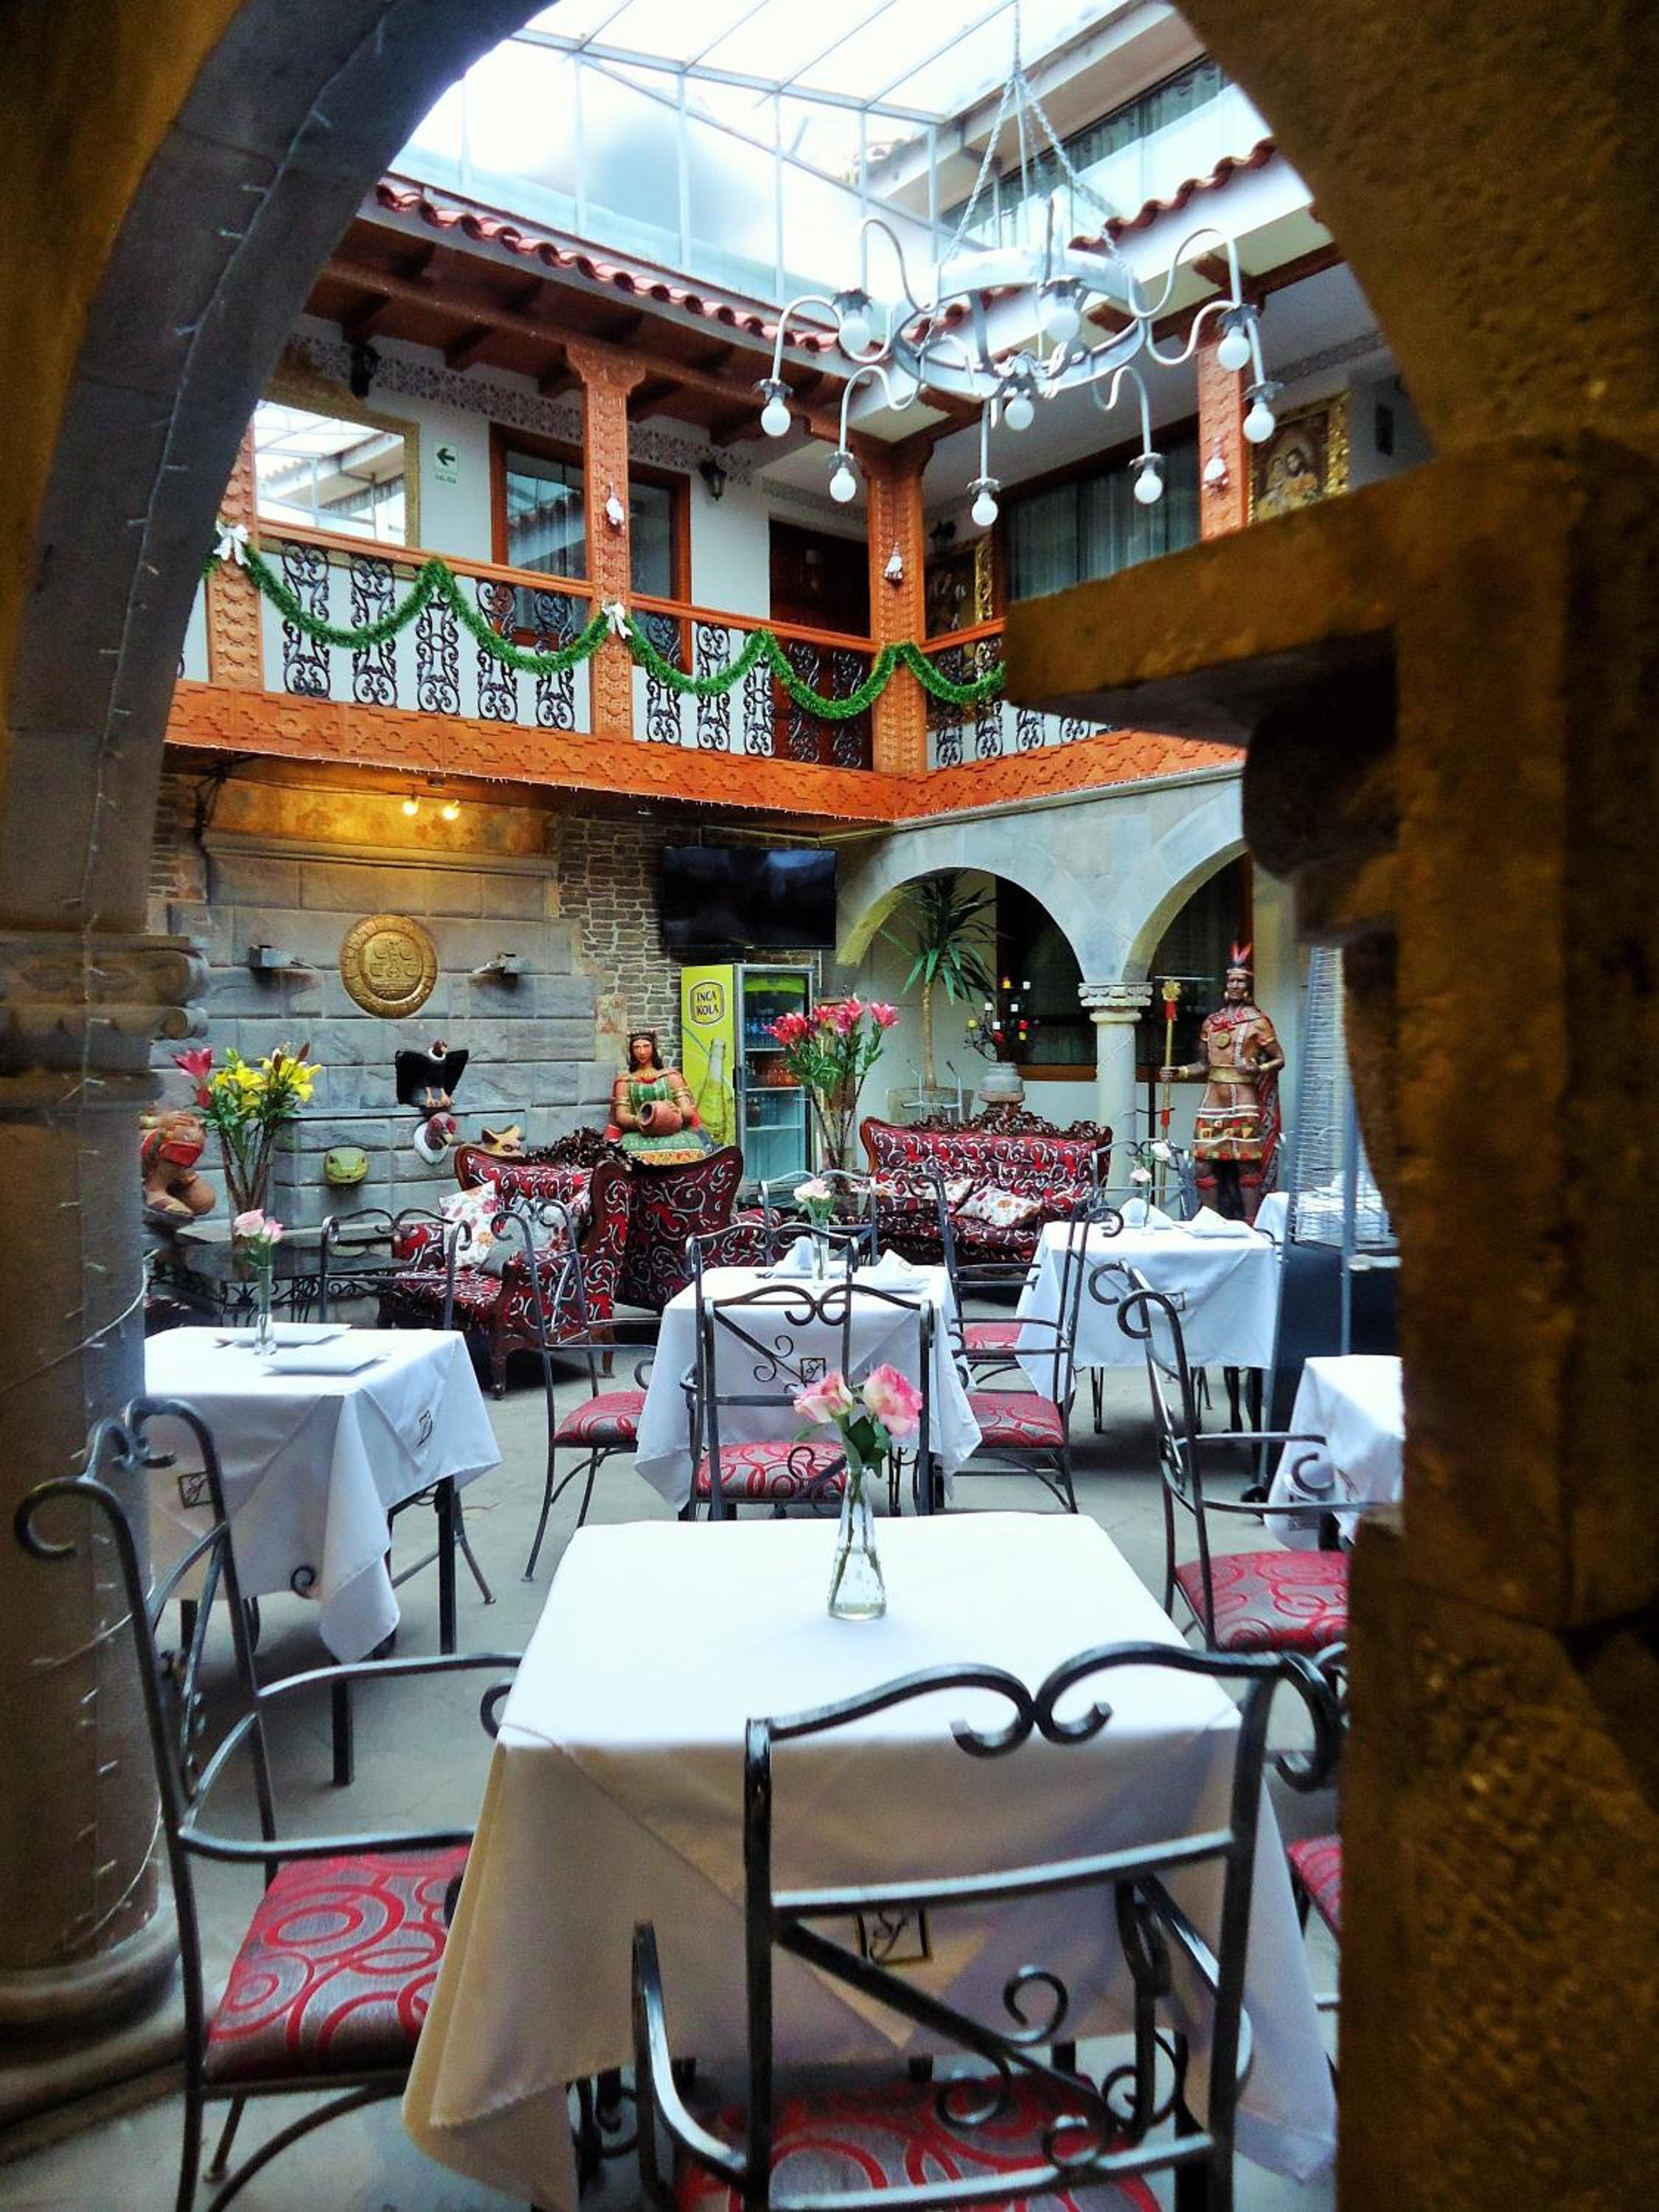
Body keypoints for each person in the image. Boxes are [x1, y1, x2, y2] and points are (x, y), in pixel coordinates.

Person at [1160, 945, 1284, 1222]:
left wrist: (1257, 1067)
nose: (1236, 986)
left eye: (1241, 981)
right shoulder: (1212, 1022)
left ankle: (1251, 1224)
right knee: (1202, 1164)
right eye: (1231, 981)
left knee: (1246, 1165)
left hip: (1244, 1099)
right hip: (1213, 1100)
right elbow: (1204, 1065)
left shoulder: (1258, 1022)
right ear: (1226, 985)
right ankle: (1211, 1221)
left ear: (1248, 986)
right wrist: (1179, 1071)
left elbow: (1279, 1059)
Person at [605, 1030, 717, 1167]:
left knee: (694, 1150)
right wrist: (640, 1121)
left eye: (646, 1046)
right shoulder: (625, 1082)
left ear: (653, 1048)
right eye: (637, 1048)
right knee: (624, 1157)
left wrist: (674, 1112)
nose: (641, 1052)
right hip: (638, 1135)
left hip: (674, 1134)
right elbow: (621, 1116)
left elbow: (688, 1111)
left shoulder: (671, 1077)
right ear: (631, 1051)